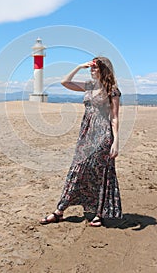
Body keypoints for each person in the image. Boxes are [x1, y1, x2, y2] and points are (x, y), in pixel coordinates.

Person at [40, 56, 122, 227]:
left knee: (100, 173)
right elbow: (65, 82)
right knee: (76, 170)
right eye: (91, 68)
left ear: (104, 70)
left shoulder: (112, 90)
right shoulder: (88, 86)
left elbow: (114, 117)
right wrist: (78, 66)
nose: (92, 71)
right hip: (85, 134)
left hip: (102, 134)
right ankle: (59, 211)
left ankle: (99, 213)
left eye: (95, 68)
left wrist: (116, 141)